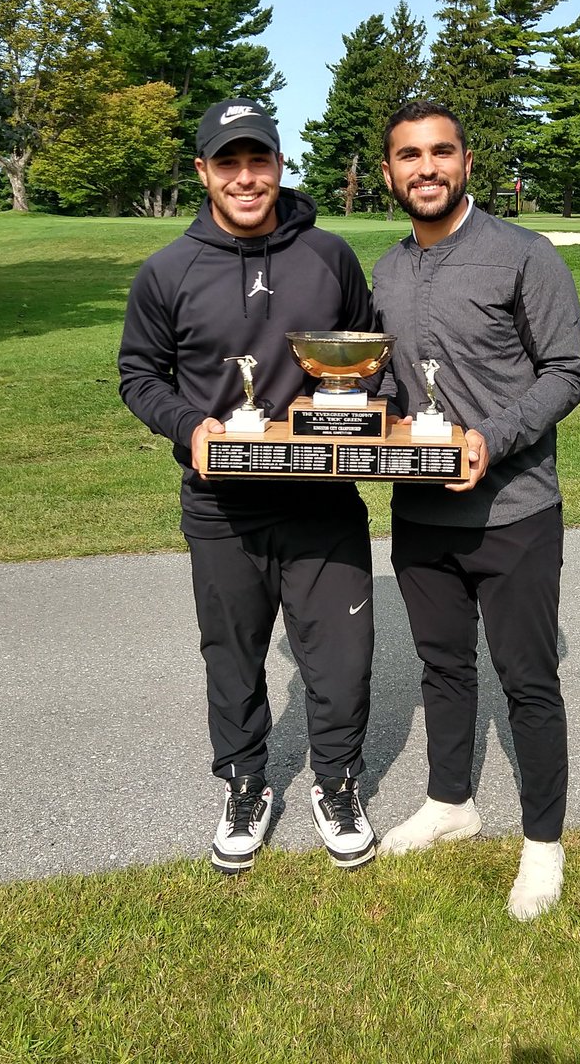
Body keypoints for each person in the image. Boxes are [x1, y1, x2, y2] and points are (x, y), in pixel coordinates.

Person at [118, 99, 377, 874]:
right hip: (221, 507)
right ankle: (245, 784)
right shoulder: (167, 271)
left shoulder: (329, 255)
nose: (244, 177)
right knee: (232, 658)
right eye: (227, 163)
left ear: (278, 165)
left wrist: (368, 418)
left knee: (341, 662)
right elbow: (139, 374)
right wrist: (188, 425)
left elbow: (368, 355)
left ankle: (337, 783)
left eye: (257, 160)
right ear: (204, 172)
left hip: (322, 501)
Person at [372, 100, 580, 919]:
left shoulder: (525, 254)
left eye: (441, 152)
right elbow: (387, 383)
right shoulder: (386, 271)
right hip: (421, 514)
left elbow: (566, 371)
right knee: (442, 667)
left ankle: (543, 845)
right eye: (409, 155)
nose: (425, 168)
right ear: (388, 172)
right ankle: (450, 802)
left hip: (515, 511)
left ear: (466, 162)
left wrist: (490, 440)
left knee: (527, 680)